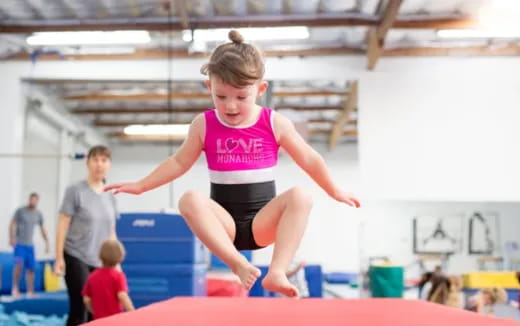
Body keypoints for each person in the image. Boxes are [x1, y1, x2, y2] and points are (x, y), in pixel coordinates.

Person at [105, 30, 360, 298]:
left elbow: (309, 158)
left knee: (301, 196)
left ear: (260, 89)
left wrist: (334, 190)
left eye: (241, 97)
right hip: (224, 224)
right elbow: (179, 162)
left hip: (263, 222)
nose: (231, 106)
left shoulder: (274, 123)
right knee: (189, 199)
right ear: (209, 88)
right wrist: (141, 185)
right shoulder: (204, 125)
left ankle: (277, 271)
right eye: (221, 96)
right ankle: (237, 262)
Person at [54, 145, 119, 326]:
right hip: (76, 255)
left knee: (98, 310)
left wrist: (116, 263)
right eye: (95, 160)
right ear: (88, 163)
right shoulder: (75, 190)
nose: (99, 164)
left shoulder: (110, 195)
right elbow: (62, 224)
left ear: (109, 164)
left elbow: (111, 231)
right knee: (81, 306)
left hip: (101, 261)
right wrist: (59, 257)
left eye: (103, 160)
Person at [8, 192, 49, 298]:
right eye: (32, 199)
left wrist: (47, 242)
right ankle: (15, 288)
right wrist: (11, 238)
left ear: (37, 201)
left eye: (35, 200)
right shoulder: (20, 211)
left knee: (31, 269)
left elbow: (42, 229)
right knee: (19, 266)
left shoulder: (38, 214)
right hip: (19, 244)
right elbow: (12, 224)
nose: (33, 202)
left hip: (30, 246)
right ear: (29, 200)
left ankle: (30, 291)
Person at [82, 239, 134, 320]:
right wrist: (132, 312)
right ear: (121, 257)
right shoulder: (118, 276)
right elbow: (122, 296)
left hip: (99, 319)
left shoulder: (92, 276)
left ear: (100, 256)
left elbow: (86, 299)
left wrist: (94, 311)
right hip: (115, 319)